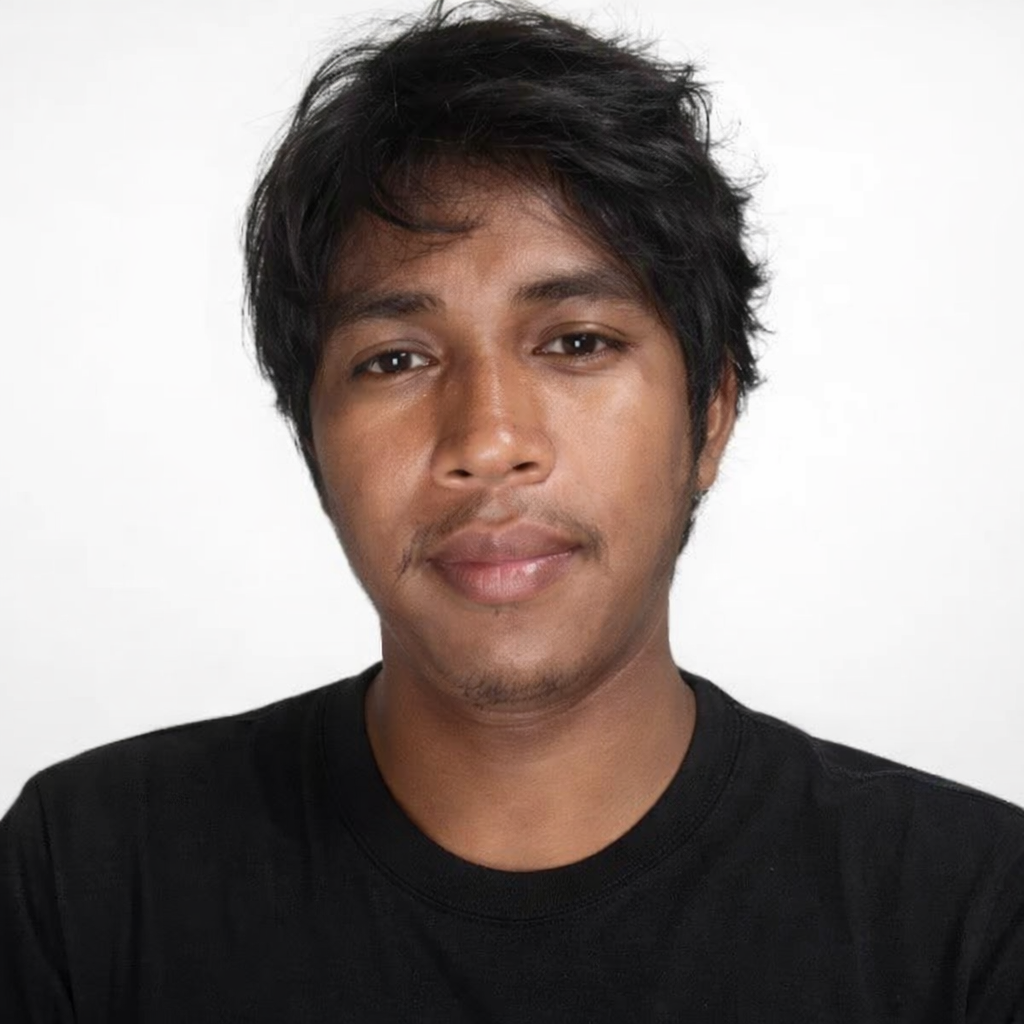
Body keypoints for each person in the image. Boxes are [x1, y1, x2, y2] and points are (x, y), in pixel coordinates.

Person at [2, 1, 1022, 1019]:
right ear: (311, 440)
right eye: (395, 359)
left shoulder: (969, 915)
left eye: (577, 342)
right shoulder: (88, 875)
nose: (489, 441)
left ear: (709, 416)